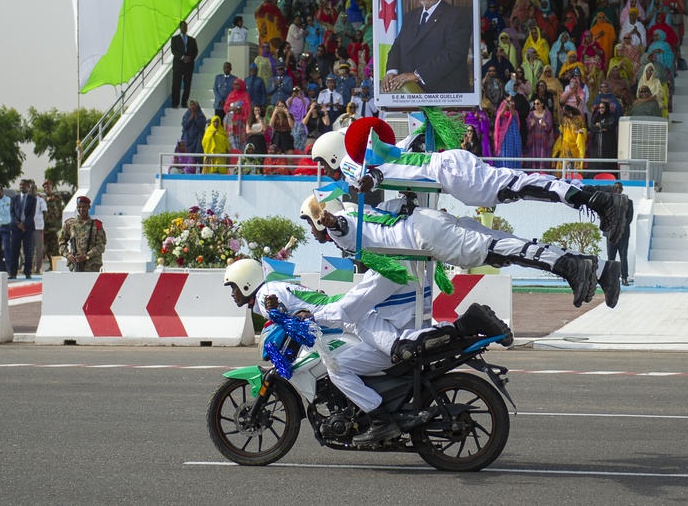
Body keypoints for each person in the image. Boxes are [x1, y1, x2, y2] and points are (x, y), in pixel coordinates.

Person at [223, 257, 510, 445]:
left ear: (246, 282)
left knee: (344, 365)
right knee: (394, 345)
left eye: (233, 288)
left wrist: (293, 317)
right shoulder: (275, 287)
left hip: (344, 317)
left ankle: (381, 417)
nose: (232, 294)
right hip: (343, 317)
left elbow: (297, 315)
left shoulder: (263, 295)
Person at [311, 120, 628, 246]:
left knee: (520, 185)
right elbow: (400, 153)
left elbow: (386, 167)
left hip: (450, 172)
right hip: (449, 172)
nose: (327, 173)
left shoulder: (360, 163)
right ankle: (599, 198)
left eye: (326, 165)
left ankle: (601, 202)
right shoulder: (363, 155)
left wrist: (375, 177)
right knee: (520, 185)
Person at [305, 192, 618, 310]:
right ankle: (602, 269)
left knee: (503, 250)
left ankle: (571, 268)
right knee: (503, 249)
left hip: (425, 238)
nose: (312, 230)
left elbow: (340, 225)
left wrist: (328, 220)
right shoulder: (367, 211)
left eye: (311, 223)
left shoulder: (341, 228)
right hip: (428, 224)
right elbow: (404, 204)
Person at [381, 0, 473, 94]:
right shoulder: (410, 16)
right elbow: (397, 46)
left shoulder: (457, 16)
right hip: (410, 94)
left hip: (445, 94)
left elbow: (453, 53)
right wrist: (391, 72)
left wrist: (417, 75)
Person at [57, 196, 106, 272]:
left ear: (89, 207)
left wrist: (86, 256)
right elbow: (61, 242)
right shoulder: (70, 224)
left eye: (84, 207)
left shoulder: (96, 225)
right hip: (75, 266)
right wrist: (67, 255)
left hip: (92, 266)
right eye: (79, 207)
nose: (81, 209)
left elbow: (101, 246)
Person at [8, 179, 37, 280]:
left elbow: (31, 214)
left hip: (27, 228)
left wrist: (24, 224)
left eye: (24, 185)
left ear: (28, 187)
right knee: (14, 251)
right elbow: (12, 213)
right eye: (20, 185)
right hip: (16, 228)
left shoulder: (32, 199)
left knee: (28, 251)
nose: (22, 187)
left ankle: (27, 272)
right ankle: (13, 272)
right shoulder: (14, 198)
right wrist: (18, 223)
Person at [606, 183, 634, 286]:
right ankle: (610, 278)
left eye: (619, 188)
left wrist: (620, 227)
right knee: (611, 257)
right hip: (610, 233)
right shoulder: (608, 201)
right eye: (615, 188)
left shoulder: (629, 202)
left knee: (623, 256)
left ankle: (624, 277)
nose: (618, 190)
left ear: (622, 189)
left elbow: (629, 217)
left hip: (623, 234)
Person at [170, 20, 198, 109]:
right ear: (180, 28)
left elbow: (195, 51)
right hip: (178, 64)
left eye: (186, 27)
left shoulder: (192, 40)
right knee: (176, 84)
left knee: (187, 84)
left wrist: (189, 58)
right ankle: (175, 102)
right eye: (183, 27)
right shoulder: (174, 39)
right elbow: (173, 50)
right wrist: (182, 57)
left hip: (188, 65)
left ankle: (184, 102)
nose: (184, 28)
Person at [223, 78, 251, 151]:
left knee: (241, 141)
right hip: (230, 122)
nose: (235, 86)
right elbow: (226, 107)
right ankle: (233, 157)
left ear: (241, 85)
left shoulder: (245, 95)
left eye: (237, 84)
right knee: (232, 141)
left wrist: (240, 109)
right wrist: (232, 109)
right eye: (234, 84)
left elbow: (248, 107)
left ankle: (240, 158)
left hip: (241, 122)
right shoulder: (231, 95)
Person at [41, 180, 63, 272]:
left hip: (55, 228)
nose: (47, 189)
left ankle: (56, 266)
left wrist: (61, 226)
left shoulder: (58, 198)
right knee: (47, 249)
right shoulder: (42, 199)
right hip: (46, 229)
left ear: (52, 188)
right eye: (45, 188)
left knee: (55, 249)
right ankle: (51, 265)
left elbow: (62, 211)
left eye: (48, 187)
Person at [181, 100, 207, 169]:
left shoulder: (200, 114)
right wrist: (192, 116)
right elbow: (185, 126)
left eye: (194, 104)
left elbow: (202, 126)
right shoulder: (186, 115)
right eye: (191, 105)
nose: (192, 106)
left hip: (198, 140)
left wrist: (195, 115)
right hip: (187, 139)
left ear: (197, 105)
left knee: (198, 156)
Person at [30, 181, 47, 273]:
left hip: (38, 227)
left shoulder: (40, 200)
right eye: (30, 189)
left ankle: (38, 268)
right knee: (29, 249)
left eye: (33, 189)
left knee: (39, 249)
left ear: (36, 190)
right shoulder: (27, 200)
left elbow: (44, 213)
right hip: (29, 228)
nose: (31, 191)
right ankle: (30, 267)